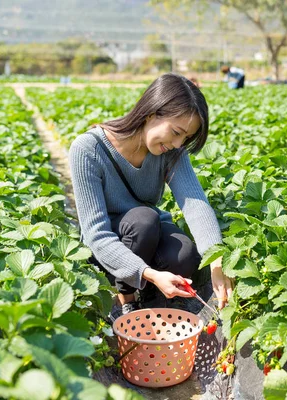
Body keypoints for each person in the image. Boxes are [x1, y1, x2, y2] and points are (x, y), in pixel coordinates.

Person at [68, 73, 233, 323]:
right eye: (177, 132)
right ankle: (125, 299)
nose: (178, 144)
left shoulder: (170, 152)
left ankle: (151, 297)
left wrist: (217, 260)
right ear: (151, 113)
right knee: (143, 220)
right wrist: (149, 274)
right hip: (107, 245)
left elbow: (195, 204)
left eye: (186, 138)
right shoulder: (88, 149)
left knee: (185, 255)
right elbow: (96, 235)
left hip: (148, 231)